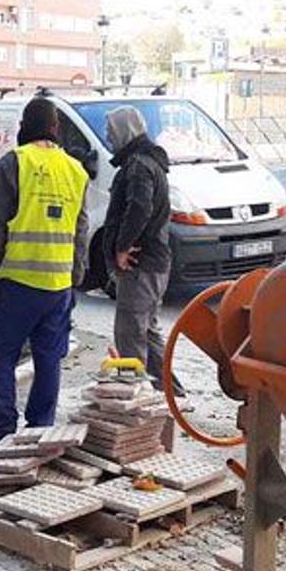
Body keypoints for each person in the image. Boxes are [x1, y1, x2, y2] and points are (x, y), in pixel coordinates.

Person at [0, 98, 89, 452]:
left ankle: (2, 431)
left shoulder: (11, 165)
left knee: (0, 354)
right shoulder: (75, 170)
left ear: (25, 125)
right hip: (58, 286)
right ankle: (39, 429)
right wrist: (76, 275)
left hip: (16, 283)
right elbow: (80, 230)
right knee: (48, 358)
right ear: (55, 129)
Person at [102, 106, 183, 396]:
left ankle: (131, 398)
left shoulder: (138, 165)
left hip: (140, 265)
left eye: (112, 132)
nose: (109, 139)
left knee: (130, 334)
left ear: (125, 132)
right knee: (146, 333)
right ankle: (173, 396)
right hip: (155, 263)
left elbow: (140, 206)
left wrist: (122, 247)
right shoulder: (150, 162)